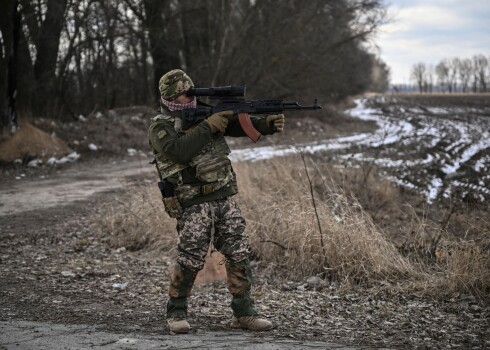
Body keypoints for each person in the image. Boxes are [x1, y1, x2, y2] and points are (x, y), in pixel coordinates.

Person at [148, 69, 285, 334]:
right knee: (190, 257)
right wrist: (208, 126)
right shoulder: (160, 125)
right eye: (183, 96)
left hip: (224, 195)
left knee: (238, 252)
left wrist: (264, 124)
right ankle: (176, 311)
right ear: (170, 98)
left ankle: (244, 312)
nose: (189, 100)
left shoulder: (207, 112)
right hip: (192, 202)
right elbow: (177, 151)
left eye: (191, 94)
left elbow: (236, 123)